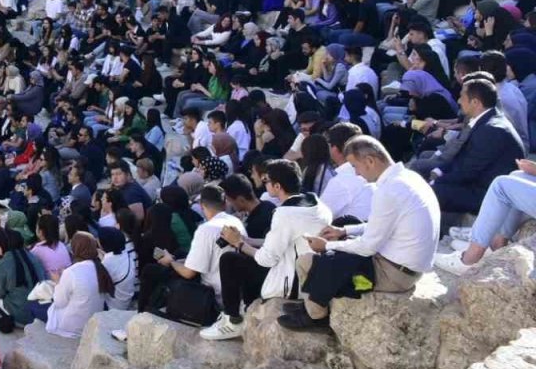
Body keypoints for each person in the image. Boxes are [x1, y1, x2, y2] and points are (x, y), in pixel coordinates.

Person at [280, 137, 439, 331]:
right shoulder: (408, 178)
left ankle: (316, 316)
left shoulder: (390, 190)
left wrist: (327, 245)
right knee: (346, 226)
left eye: (356, 166)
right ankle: (311, 303)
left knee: (308, 262)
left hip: (394, 274)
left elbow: (367, 248)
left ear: (370, 161)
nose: (356, 173)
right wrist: (343, 231)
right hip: (406, 266)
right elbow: (380, 225)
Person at [202, 160, 332, 340]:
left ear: (277, 186)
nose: (264, 184)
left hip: (291, 281)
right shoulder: (316, 203)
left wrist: (239, 244)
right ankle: (244, 310)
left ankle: (232, 320)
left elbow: (265, 259)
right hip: (308, 272)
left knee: (230, 260)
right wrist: (247, 240)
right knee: (242, 255)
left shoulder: (285, 214)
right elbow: (284, 241)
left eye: (266, 180)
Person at [140, 184, 243, 321]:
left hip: (213, 297)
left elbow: (188, 274)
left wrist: (170, 261)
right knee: (180, 256)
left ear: (202, 205)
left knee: (150, 271)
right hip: (234, 290)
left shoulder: (206, 229)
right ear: (224, 203)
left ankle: (141, 314)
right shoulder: (235, 221)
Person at [431, 75, 525, 216]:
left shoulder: (492, 130)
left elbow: (468, 171)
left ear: (475, 102)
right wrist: (438, 172)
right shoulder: (488, 120)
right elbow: (464, 159)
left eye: (462, 97)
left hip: (489, 194)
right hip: (480, 183)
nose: (458, 101)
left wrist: (435, 182)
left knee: (430, 193)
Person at [46, 231, 114, 337]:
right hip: (91, 322)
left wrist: (58, 282)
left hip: (72, 327)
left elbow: (59, 302)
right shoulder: (99, 267)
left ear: (75, 249)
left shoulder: (71, 272)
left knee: (36, 305)